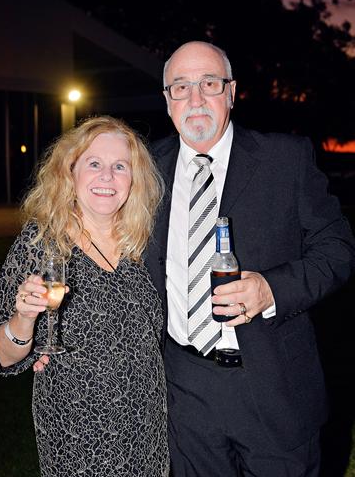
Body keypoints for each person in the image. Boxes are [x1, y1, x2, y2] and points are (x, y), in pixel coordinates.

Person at [144, 41, 355, 476]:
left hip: (274, 388)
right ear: (167, 101)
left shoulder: (286, 159)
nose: (196, 98)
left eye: (209, 83)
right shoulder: (146, 169)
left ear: (232, 92)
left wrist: (272, 288)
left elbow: (337, 249)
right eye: (180, 87)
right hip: (185, 389)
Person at [0, 116, 169, 477]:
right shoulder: (40, 242)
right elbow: (1, 357)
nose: (107, 176)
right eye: (94, 164)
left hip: (148, 431)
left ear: (134, 180)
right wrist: (24, 319)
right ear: (70, 173)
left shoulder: (146, 243)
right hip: (76, 433)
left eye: (120, 166)